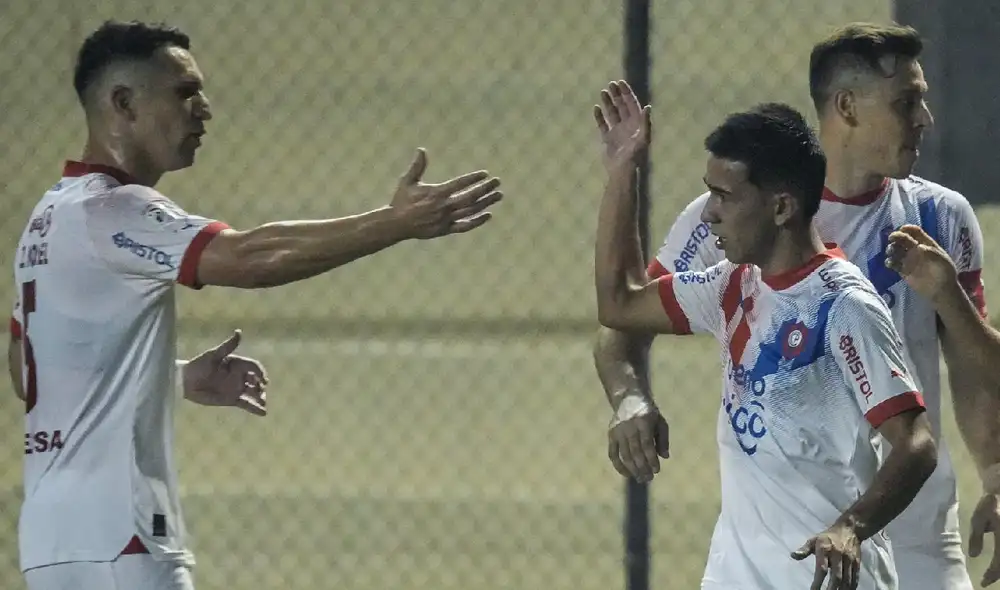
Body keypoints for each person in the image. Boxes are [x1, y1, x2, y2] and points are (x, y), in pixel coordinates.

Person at [7, 19, 502, 590]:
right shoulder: (113, 210)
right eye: (185, 92)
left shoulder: (48, 217)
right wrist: (396, 223)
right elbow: (250, 257)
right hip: (122, 537)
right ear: (124, 103)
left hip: (51, 541)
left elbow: (27, 370)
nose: (205, 109)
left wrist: (176, 377)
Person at [594, 22, 1000, 589]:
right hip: (787, 540)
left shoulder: (939, 219)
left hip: (913, 528)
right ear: (847, 107)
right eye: (906, 103)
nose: (925, 121)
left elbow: (977, 377)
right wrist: (630, 399)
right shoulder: (735, 219)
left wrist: (996, 472)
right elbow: (621, 319)